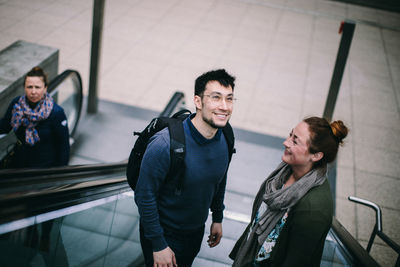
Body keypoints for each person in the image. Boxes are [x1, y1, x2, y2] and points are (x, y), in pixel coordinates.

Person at [134, 69, 236, 267]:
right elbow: (144, 195)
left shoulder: (225, 136)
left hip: (195, 231)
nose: (224, 106)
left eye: (229, 99)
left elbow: (219, 177)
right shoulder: (164, 144)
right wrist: (158, 244)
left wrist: (217, 217)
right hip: (164, 233)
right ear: (198, 101)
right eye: (216, 98)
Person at [229, 117, 349, 267]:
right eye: (290, 135)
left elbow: (296, 261)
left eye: (295, 141)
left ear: (316, 155)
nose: (286, 142)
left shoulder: (314, 210)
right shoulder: (284, 172)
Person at [0, 66, 70, 168]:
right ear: (24, 87)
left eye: (37, 87)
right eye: (29, 87)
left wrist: (58, 174)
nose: (33, 92)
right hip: (19, 162)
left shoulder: (56, 113)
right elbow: (5, 126)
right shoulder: (17, 104)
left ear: (45, 88)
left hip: (43, 168)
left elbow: (63, 147)